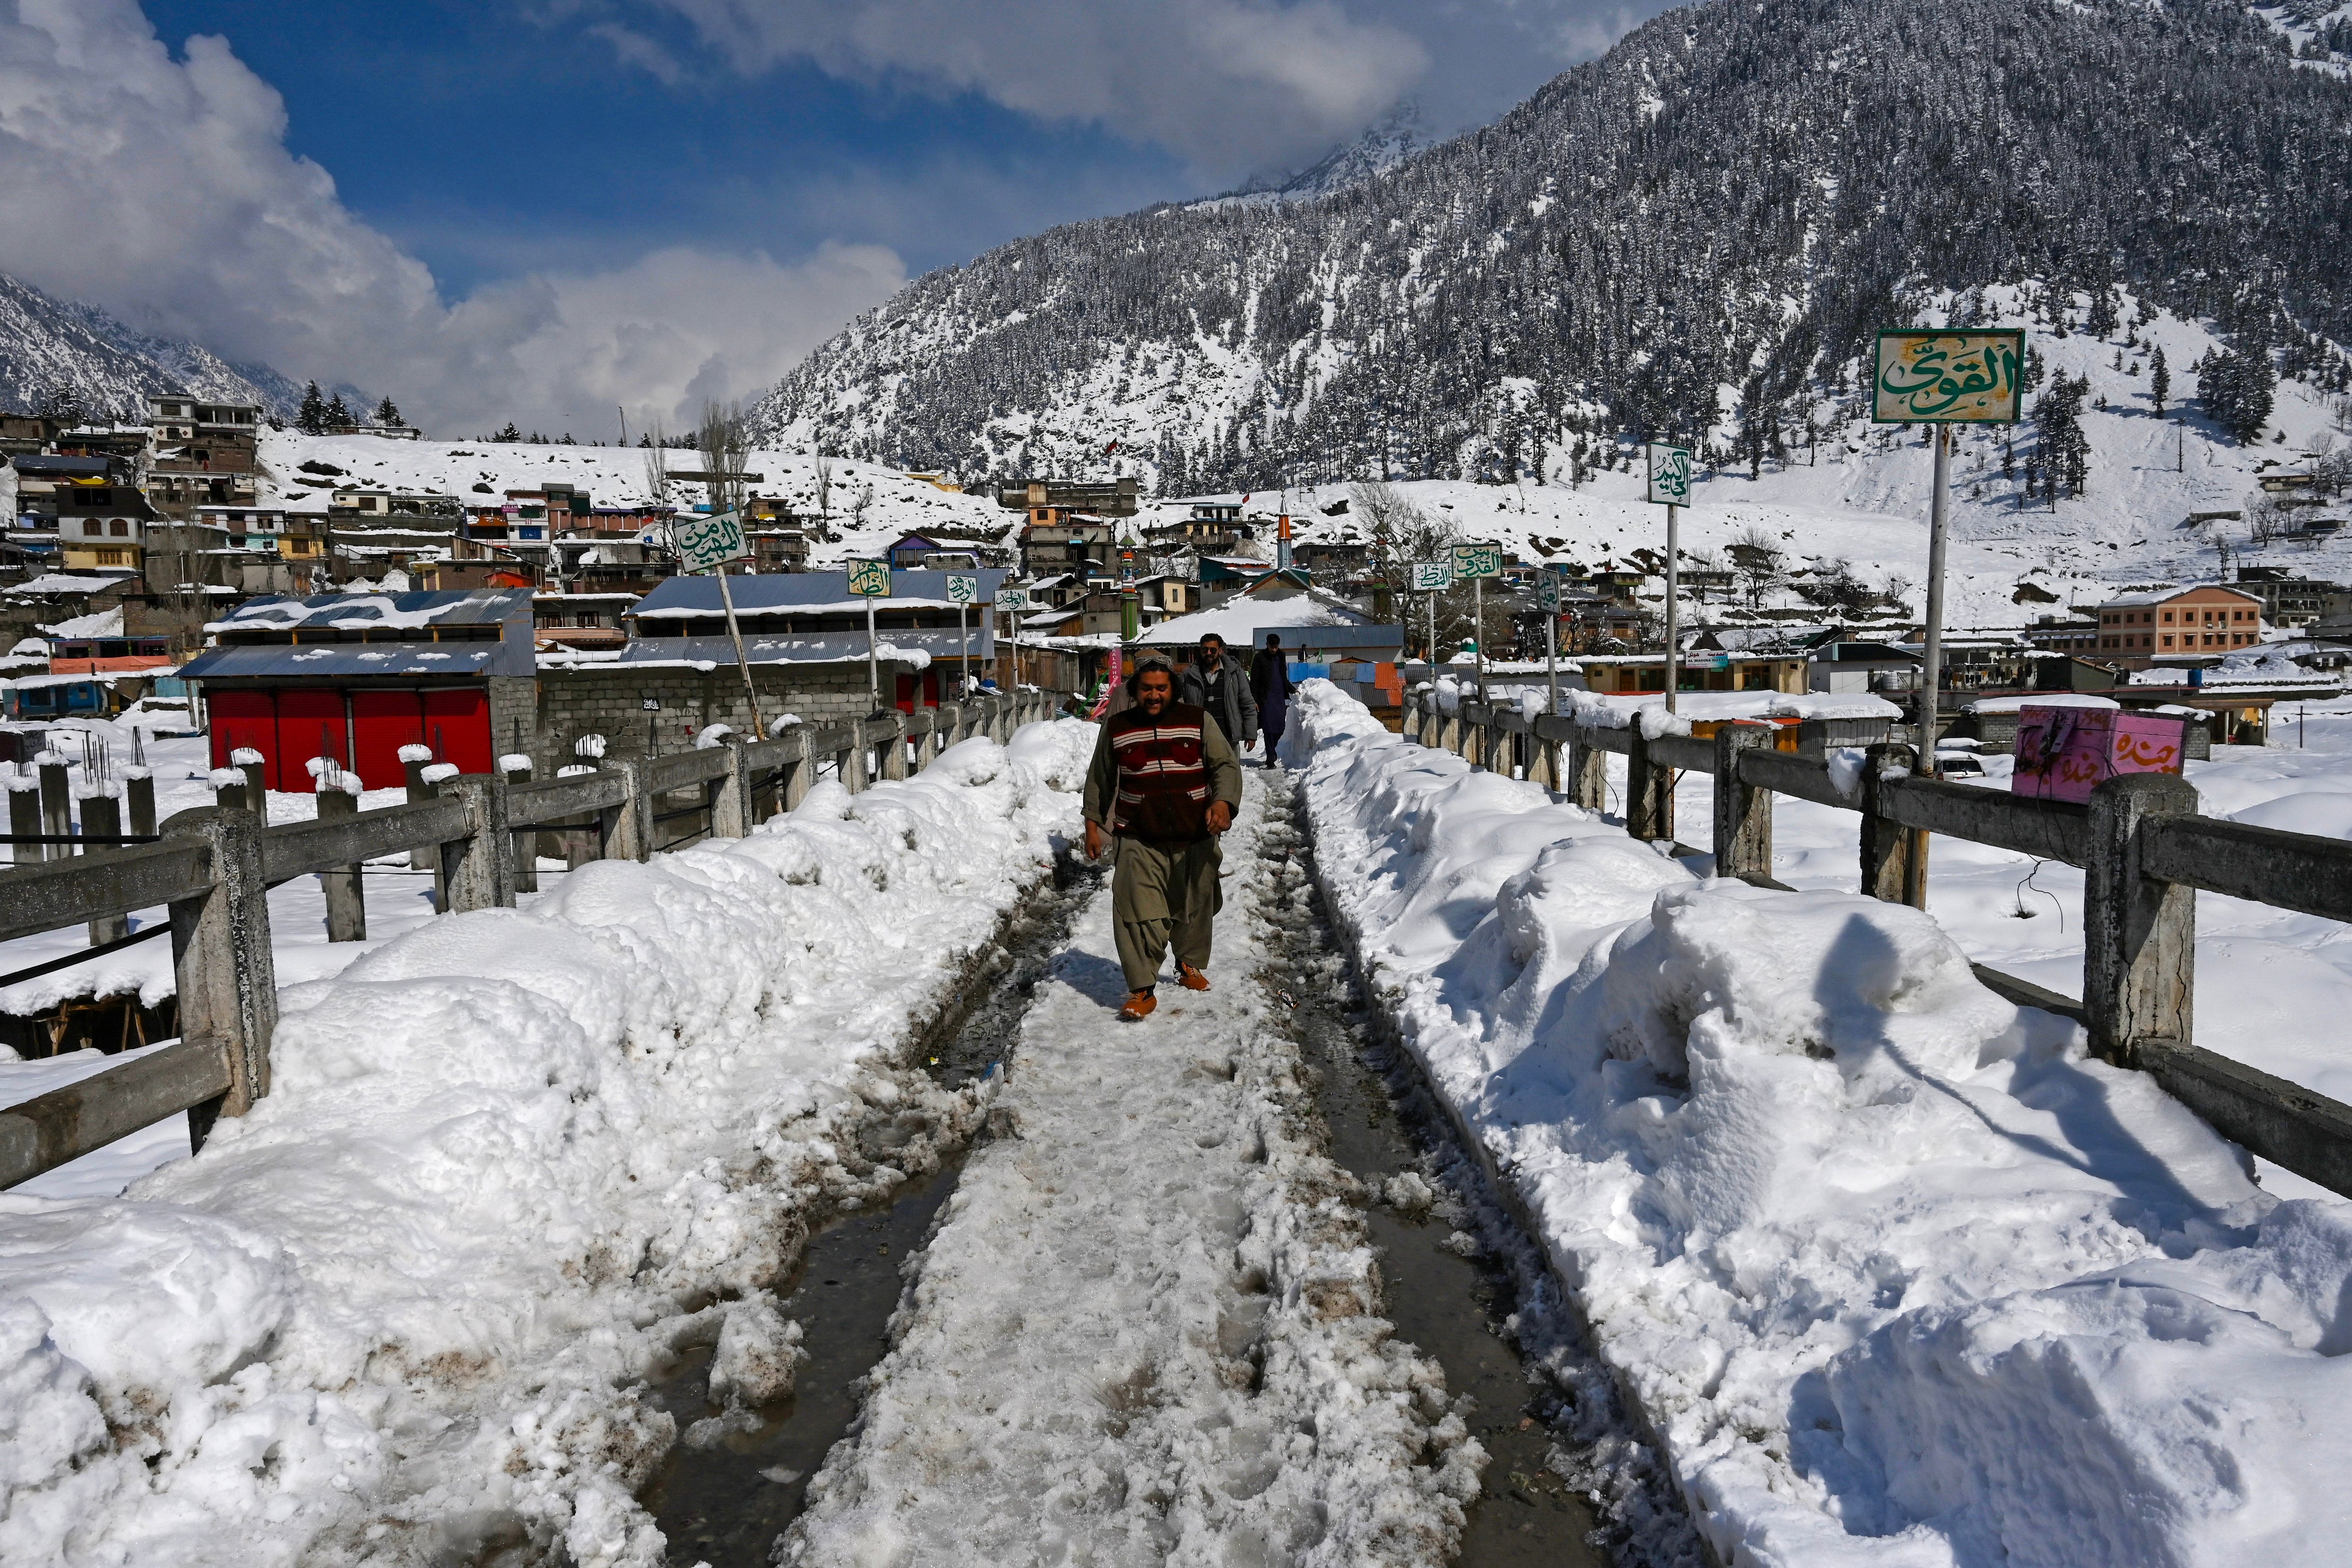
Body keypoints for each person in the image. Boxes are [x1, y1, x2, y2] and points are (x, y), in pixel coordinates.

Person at [1082, 657, 1243, 1021]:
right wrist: (1093, 826)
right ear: (1135, 691)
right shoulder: (1118, 727)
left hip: (1195, 834)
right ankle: (1142, 989)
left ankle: (1188, 965)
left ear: (1173, 690)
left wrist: (1222, 802)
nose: (1154, 695)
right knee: (1135, 911)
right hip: (1138, 835)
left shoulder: (1199, 721)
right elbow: (1099, 778)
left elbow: (1224, 766)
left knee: (1194, 904)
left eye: (1161, 688)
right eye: (1147, 688)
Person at [1178, 633, 1257, 753]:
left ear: (1220, 651)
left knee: (1230, 772)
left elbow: (1247, 704)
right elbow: (1180, 707)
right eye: (1205, 650)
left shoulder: (1234, 672)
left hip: (1229, 739)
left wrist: (1251, 734)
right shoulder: (1188, 675)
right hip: (1200, 740)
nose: (1209, 653)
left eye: (1213, 650)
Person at [1252, 634, 1295, 762]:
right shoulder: (1260, 657)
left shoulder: (1281, 655)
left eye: (1276, 647)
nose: (1274, 650)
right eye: (1272, 647)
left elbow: (1283, 676)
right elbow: (1254, 681)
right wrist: (1254, 700)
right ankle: (1271, 757)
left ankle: (1273, 749)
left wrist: (1292, 689)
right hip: (1266, 698)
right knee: (1268, 728)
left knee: (1281, 727)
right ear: (1267, 645)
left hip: (1279, 696)